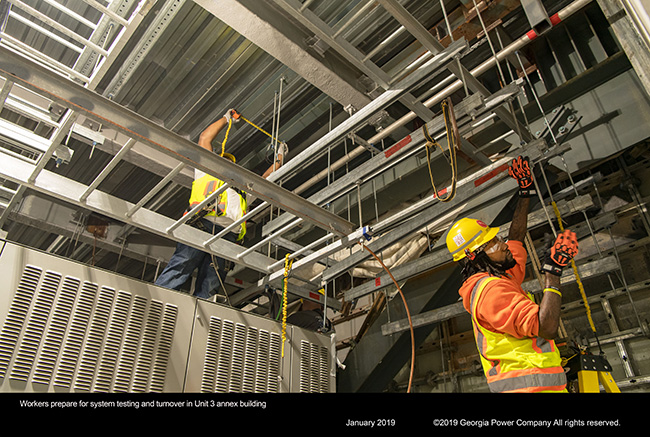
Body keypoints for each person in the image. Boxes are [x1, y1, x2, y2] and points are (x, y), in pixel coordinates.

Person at [445, 156, 579, 393]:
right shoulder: (491, 291)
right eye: (493, 243)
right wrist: (553, 272)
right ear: (474, 255)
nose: (503, 244)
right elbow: (545, 327)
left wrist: (524, 192)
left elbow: (516, 238)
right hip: (528, 386)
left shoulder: (500, 278)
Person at [155, 108, 288, 299]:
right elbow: (204, 139)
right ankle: (157, 302)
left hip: (228, 235)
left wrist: (280, 158)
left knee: (211, 284)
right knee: (181, 267)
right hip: (202, 224)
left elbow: (266, 179)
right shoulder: (207, 171)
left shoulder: (242, 191)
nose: (229, 166)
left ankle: (200, 317)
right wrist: (226, 119)